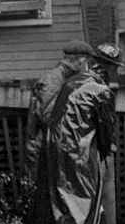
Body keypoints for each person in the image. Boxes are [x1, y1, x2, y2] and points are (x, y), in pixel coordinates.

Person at [38, 42, 122, 224]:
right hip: (77, 148)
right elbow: (105, 130)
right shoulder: (103, 92)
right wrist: (107, 150)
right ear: (110, 69)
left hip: (54, 144)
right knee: (79, 196)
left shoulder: (72, 81)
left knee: (60, 196)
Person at [24, 40, 95, 177]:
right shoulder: (53, 80)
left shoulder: (65, 79)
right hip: (43, 153)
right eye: (87, 64)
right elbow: (49, 118)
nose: (87, 69)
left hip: (51, 151)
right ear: (80, 62)